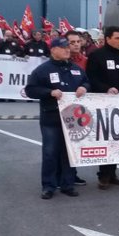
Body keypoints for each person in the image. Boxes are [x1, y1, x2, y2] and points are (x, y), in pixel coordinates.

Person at [25, 38, 89, 199]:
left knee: (69, 152)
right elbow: (30, 90)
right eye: (63, 47)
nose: (68, 50)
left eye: (68, 47)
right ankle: (49, 186)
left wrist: (84, 87)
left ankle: (67, 184)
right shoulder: (43, 70)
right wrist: (49, 92)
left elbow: (87, 82)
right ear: (53, 50)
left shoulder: (75, 69)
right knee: (50, 152)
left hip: (72, 119)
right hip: (51, 117)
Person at [86, 26, 119, 190]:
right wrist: (105, 88)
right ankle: (104, 175)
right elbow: (91, 78)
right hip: (104, 105)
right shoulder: (96, 56)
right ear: (107, 39)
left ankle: (113, 172)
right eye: (116, 38)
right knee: (106, 139)